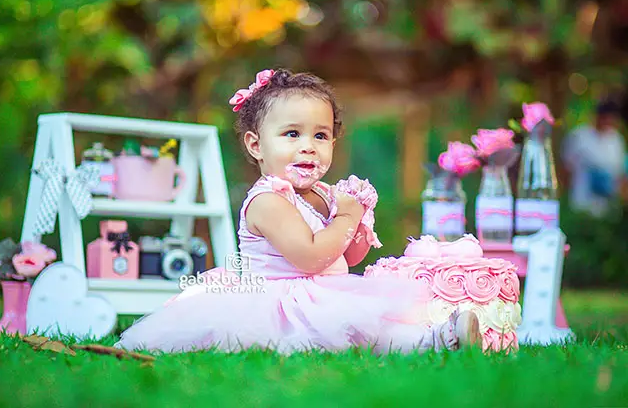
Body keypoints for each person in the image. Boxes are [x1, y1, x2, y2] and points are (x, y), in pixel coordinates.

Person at [115, 69, 480, 354]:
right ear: (256, 145)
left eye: (320, 136)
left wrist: (358, 227)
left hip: (325, 291)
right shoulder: (268, 201)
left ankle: (435, 340)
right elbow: (309, 258)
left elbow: (346, 257)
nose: (308, 147)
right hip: (278, 304)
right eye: (292, 134)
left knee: (371, 323)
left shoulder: (324, 194)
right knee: (347, 329)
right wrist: (346, 218)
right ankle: (426, 343)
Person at [562, 99, 627, 217]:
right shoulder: (579, 136)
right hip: (581, 204)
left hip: (609, 207)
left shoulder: (617, 140)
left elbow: (621, 174)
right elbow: (566, 169)